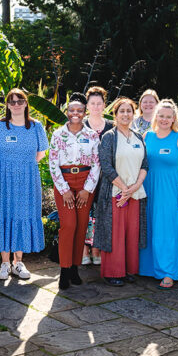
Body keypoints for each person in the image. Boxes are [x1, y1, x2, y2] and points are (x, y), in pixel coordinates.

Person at [0, 88, 48, 281]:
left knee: (23, 216)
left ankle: (18, 262)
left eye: (19, 101)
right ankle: (4, 264)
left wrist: (24, 166)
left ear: (25, 103)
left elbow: (41, 153)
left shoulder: (36, 127)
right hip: (3, 181)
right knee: (4, 215)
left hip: (28, 181)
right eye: (11, 102)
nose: (15, 105)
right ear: (7, 105)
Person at [93, 97, 148, 286]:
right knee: (115, 234)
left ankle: (127, 270)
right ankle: (113, 272)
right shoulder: (109, 137)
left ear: (134, 114)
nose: (126, 114)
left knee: (131, 233)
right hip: (115, 193)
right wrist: (124, 188)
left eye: (129, 111)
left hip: (135, 194)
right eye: (121, 111)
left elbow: (145, 164)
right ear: (115, 115)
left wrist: (134, 187)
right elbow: (105, 166)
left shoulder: (138, 137)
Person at [140, 99, 178, 288]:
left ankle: (168, 272)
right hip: (148, 189)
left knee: (167, 231)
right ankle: (147, 268)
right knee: (149, 227)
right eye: (161, 115)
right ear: (156, 116)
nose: (164, 119)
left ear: (173, 119)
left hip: (170, 192)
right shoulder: (147, 136)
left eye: (168, 117)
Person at [49, 96, 100, 289]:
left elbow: (97, 163)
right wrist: (64, 190)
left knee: (80, 226)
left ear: (84, 113)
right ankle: (64, 270)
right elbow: (52, 163)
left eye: (79, 110)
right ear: (67, 112)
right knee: (68, 225)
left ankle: (75, 268)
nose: (75, 114)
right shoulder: (58, 135)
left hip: (86, 182)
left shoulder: (92, 135)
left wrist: (87, 189)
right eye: (72, 110)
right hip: (65, 181)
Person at [82, 86, 113, 266]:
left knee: (101, 215)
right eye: (92, 103)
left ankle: (97, 250)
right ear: (87, 105)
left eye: (99, 103)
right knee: (85, 215)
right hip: (84, 178)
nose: (95, 106)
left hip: (106, 179)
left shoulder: (111, 127)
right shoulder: (80, 125)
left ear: (104, 105)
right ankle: (84, 250)